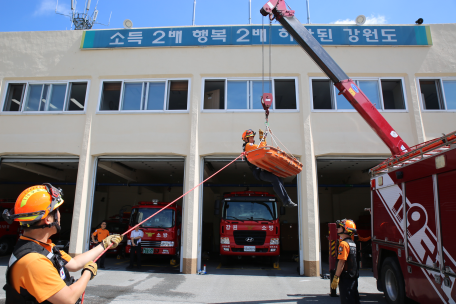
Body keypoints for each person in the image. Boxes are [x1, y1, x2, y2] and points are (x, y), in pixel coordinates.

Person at [1, 184, 123, 304]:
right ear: (48, 219)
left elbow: (75, 264)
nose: (59, 215)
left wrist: (104, 244)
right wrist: (88, 273)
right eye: (57, 210)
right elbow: (68, 299)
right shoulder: (34, 260)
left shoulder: (43, 247)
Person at [242, 129, 296, 207]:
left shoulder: (252, 147)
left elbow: (262, 149)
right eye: (251, 138)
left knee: (278, 179)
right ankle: (286, 201)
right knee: (274, 179)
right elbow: (262, 148)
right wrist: (263, 139)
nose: (253, 139)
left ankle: (286, 199)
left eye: (253, 137)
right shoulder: (247, 146)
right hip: (259, 172)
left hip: (263, 169)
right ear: (246, 139)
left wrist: (263, 139)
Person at [331, 219, 360, 304]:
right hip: (353, 278)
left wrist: (336, 277)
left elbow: (341, 262)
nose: (338, 229)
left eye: (340, 227)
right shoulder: (352, 243)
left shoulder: (344, 244)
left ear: (346, 230)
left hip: (346, 279)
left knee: (347, 301)